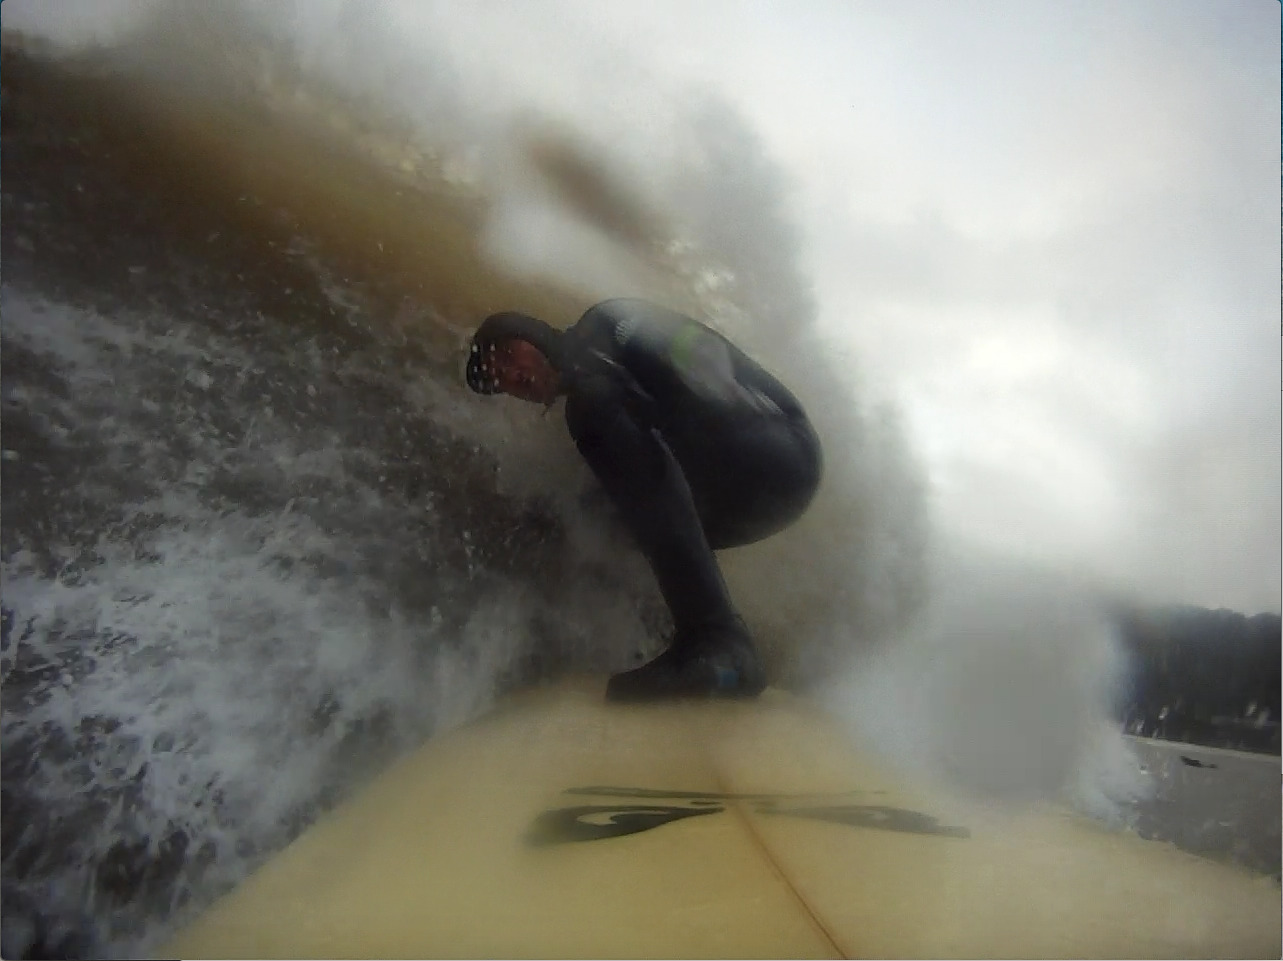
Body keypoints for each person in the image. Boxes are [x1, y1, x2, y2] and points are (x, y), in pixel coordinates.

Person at [465, 298, 823, 701]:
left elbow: (687, 343)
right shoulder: (597, 374)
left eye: (511, 355)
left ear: (532, 333)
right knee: (595, 520)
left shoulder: (601, 327)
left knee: (591, 408)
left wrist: (708, 395)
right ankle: (674, 643)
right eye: (503, 381)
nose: (516, 376)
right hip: (754, 497)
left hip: (774, 441)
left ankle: (719, 639)